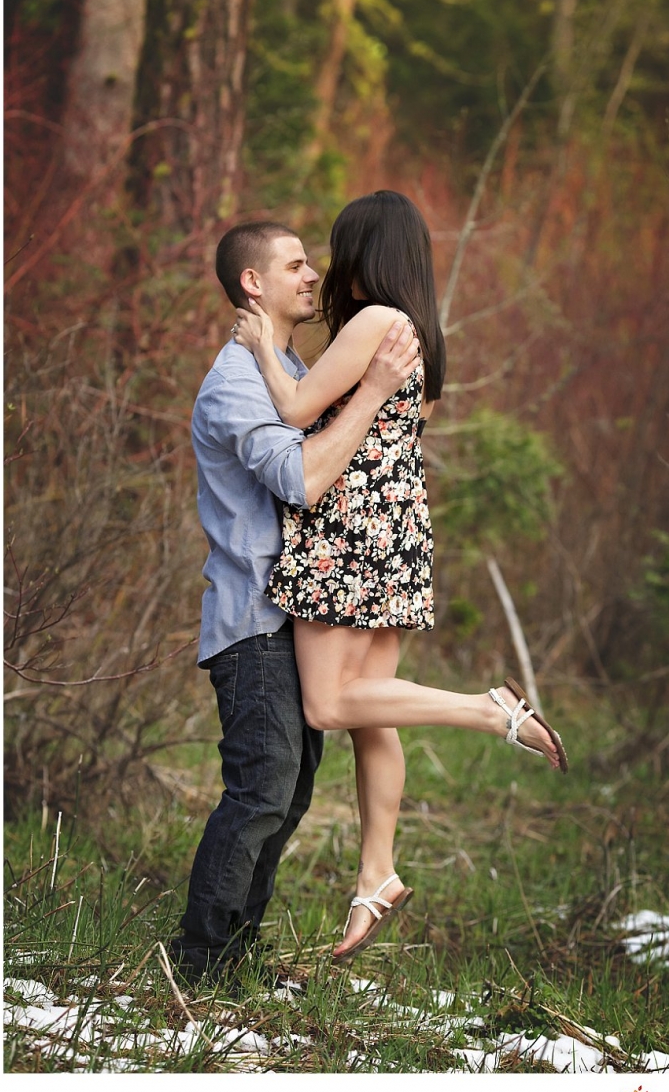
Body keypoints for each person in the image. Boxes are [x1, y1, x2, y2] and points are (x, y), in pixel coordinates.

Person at [233, 189, 568, 964]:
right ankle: (376, 873)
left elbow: (291, 409)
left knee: (325, 704)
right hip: (396, 530)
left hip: (349, 531)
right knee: (371, 716)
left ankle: (491, 711)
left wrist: (257, 345)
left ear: (364, 250)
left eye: (338, 246)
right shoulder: (417, 330)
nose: (327, 263)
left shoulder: (376, 322)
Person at [169, 219, 422, 984]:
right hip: (251, 621)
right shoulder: (236, 379)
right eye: (295, 264)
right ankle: (199, 958)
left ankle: (235, 951)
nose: (314, 274)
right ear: (254, 282)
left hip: (296, 614)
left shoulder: (282, 362)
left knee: (288, 794)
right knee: (261, 788)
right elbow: (304, 480)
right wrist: (373, 390)